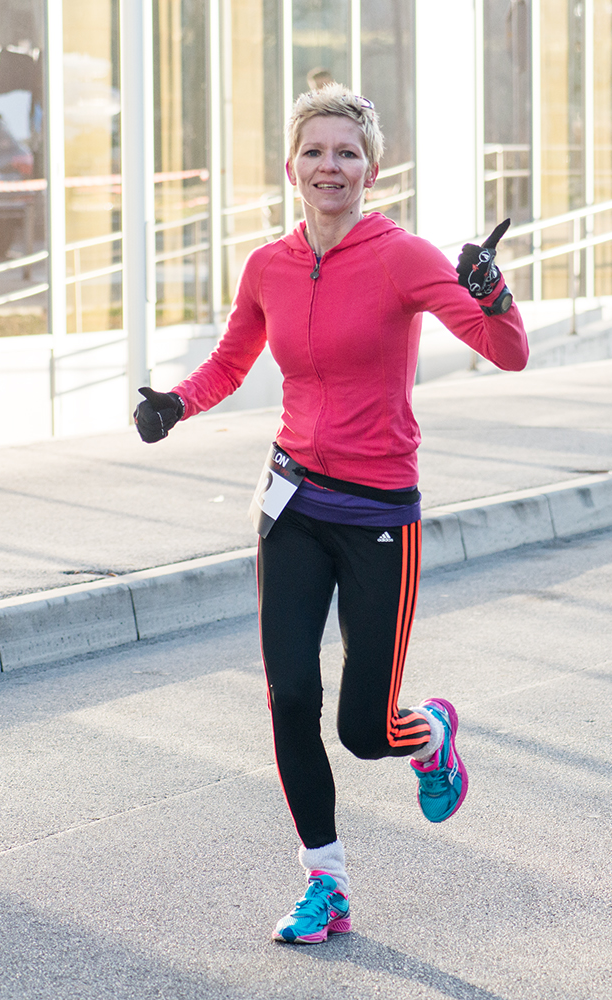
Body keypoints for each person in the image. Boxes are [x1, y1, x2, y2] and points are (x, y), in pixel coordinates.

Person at [131, 84, 528, 944]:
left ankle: (430, 736)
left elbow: (509, 352)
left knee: (365, 728)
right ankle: (327, 882)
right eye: (315, 151)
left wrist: (493, 294)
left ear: (371, 172)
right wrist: (176, 403)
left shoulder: (403, 257)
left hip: (379, 512)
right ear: (291, 168)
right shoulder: (268, 266)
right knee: (290, 696)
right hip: (293, 506)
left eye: (347, 152)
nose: (330, 166)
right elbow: (231, 360)